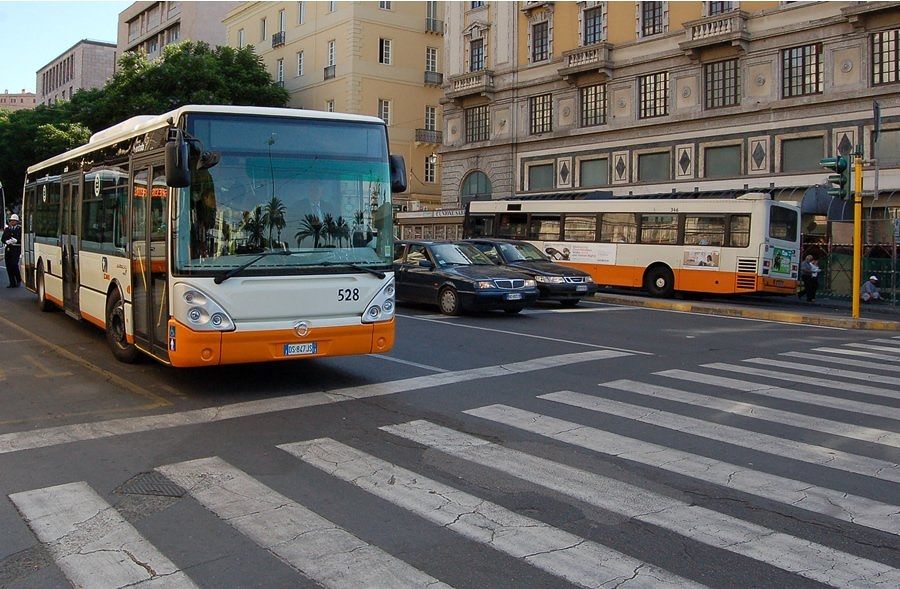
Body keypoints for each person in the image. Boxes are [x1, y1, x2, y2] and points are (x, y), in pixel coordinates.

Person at [2, 213, 22, 287]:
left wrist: (16, 240)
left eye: (14, 221)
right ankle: (12, 283)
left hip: (16, 249)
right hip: (8, 249)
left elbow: (22, 239)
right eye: (11, 221)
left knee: (14, 264)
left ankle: (18, 279)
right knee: (9, 266)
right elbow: (3, 239)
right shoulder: (7, 229)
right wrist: (6, 241)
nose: (12, 222)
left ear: (17, 221)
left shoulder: (19, 229)